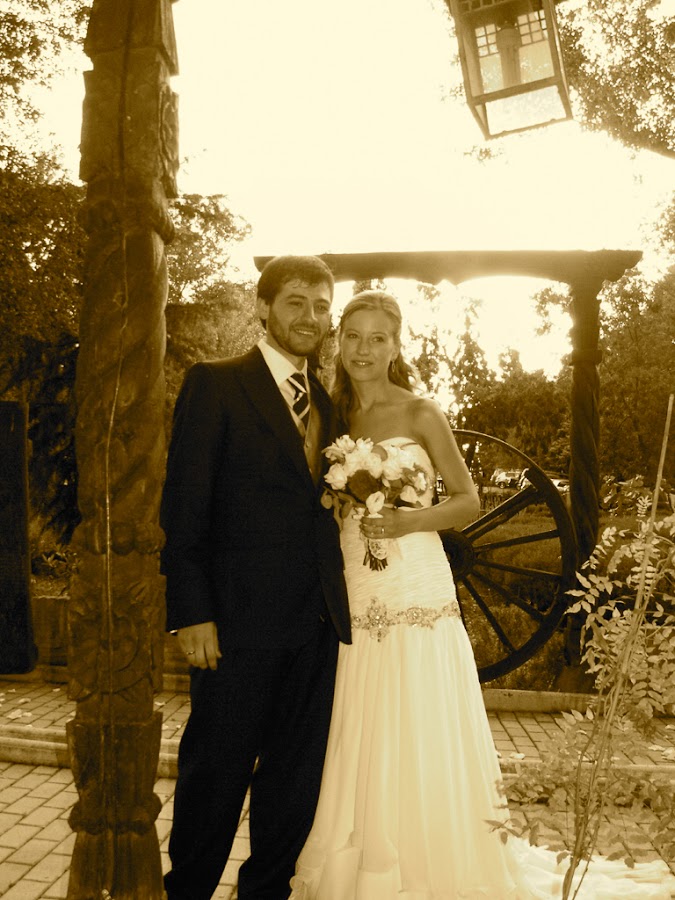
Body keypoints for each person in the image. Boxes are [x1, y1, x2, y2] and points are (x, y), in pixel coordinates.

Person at [290, 290, 675, 899]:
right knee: (365, 702)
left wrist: (408, 522)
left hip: (415, 575)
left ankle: (432, 860)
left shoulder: (421, 412)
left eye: (378, 338)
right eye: (353, 336)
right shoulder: (332, 417)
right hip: (358, 580)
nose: (363, 350)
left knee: (419, 702)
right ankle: (363, 849)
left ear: (396, 345)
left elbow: (468, 500)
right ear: (339, 342)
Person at [160, 255, 352, 900]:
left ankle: (265, 893)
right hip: (236, 626)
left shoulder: (329, 405)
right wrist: (192, 613)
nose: (311, 317)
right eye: (296, 302)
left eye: (321, 306)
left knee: (294, 784)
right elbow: (184, 505)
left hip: (316, 626)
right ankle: (188, 891)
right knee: (215, 775)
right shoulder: (216, 384)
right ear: (263, 306)